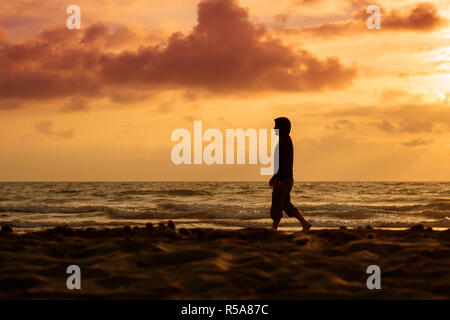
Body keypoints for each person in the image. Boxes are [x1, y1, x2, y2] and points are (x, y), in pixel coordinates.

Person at [269, 117, 311, 231]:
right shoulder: (284, 140)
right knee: (286, 205)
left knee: (277, 203)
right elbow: (281, 163)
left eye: (276, 126)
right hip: (285, 177)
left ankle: (274, 228)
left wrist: (280, 179)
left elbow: (285, 163)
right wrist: (274, 176)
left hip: (284, 178)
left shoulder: (284, 142)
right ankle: (304, 223)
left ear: (282, 128)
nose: (274, 128)